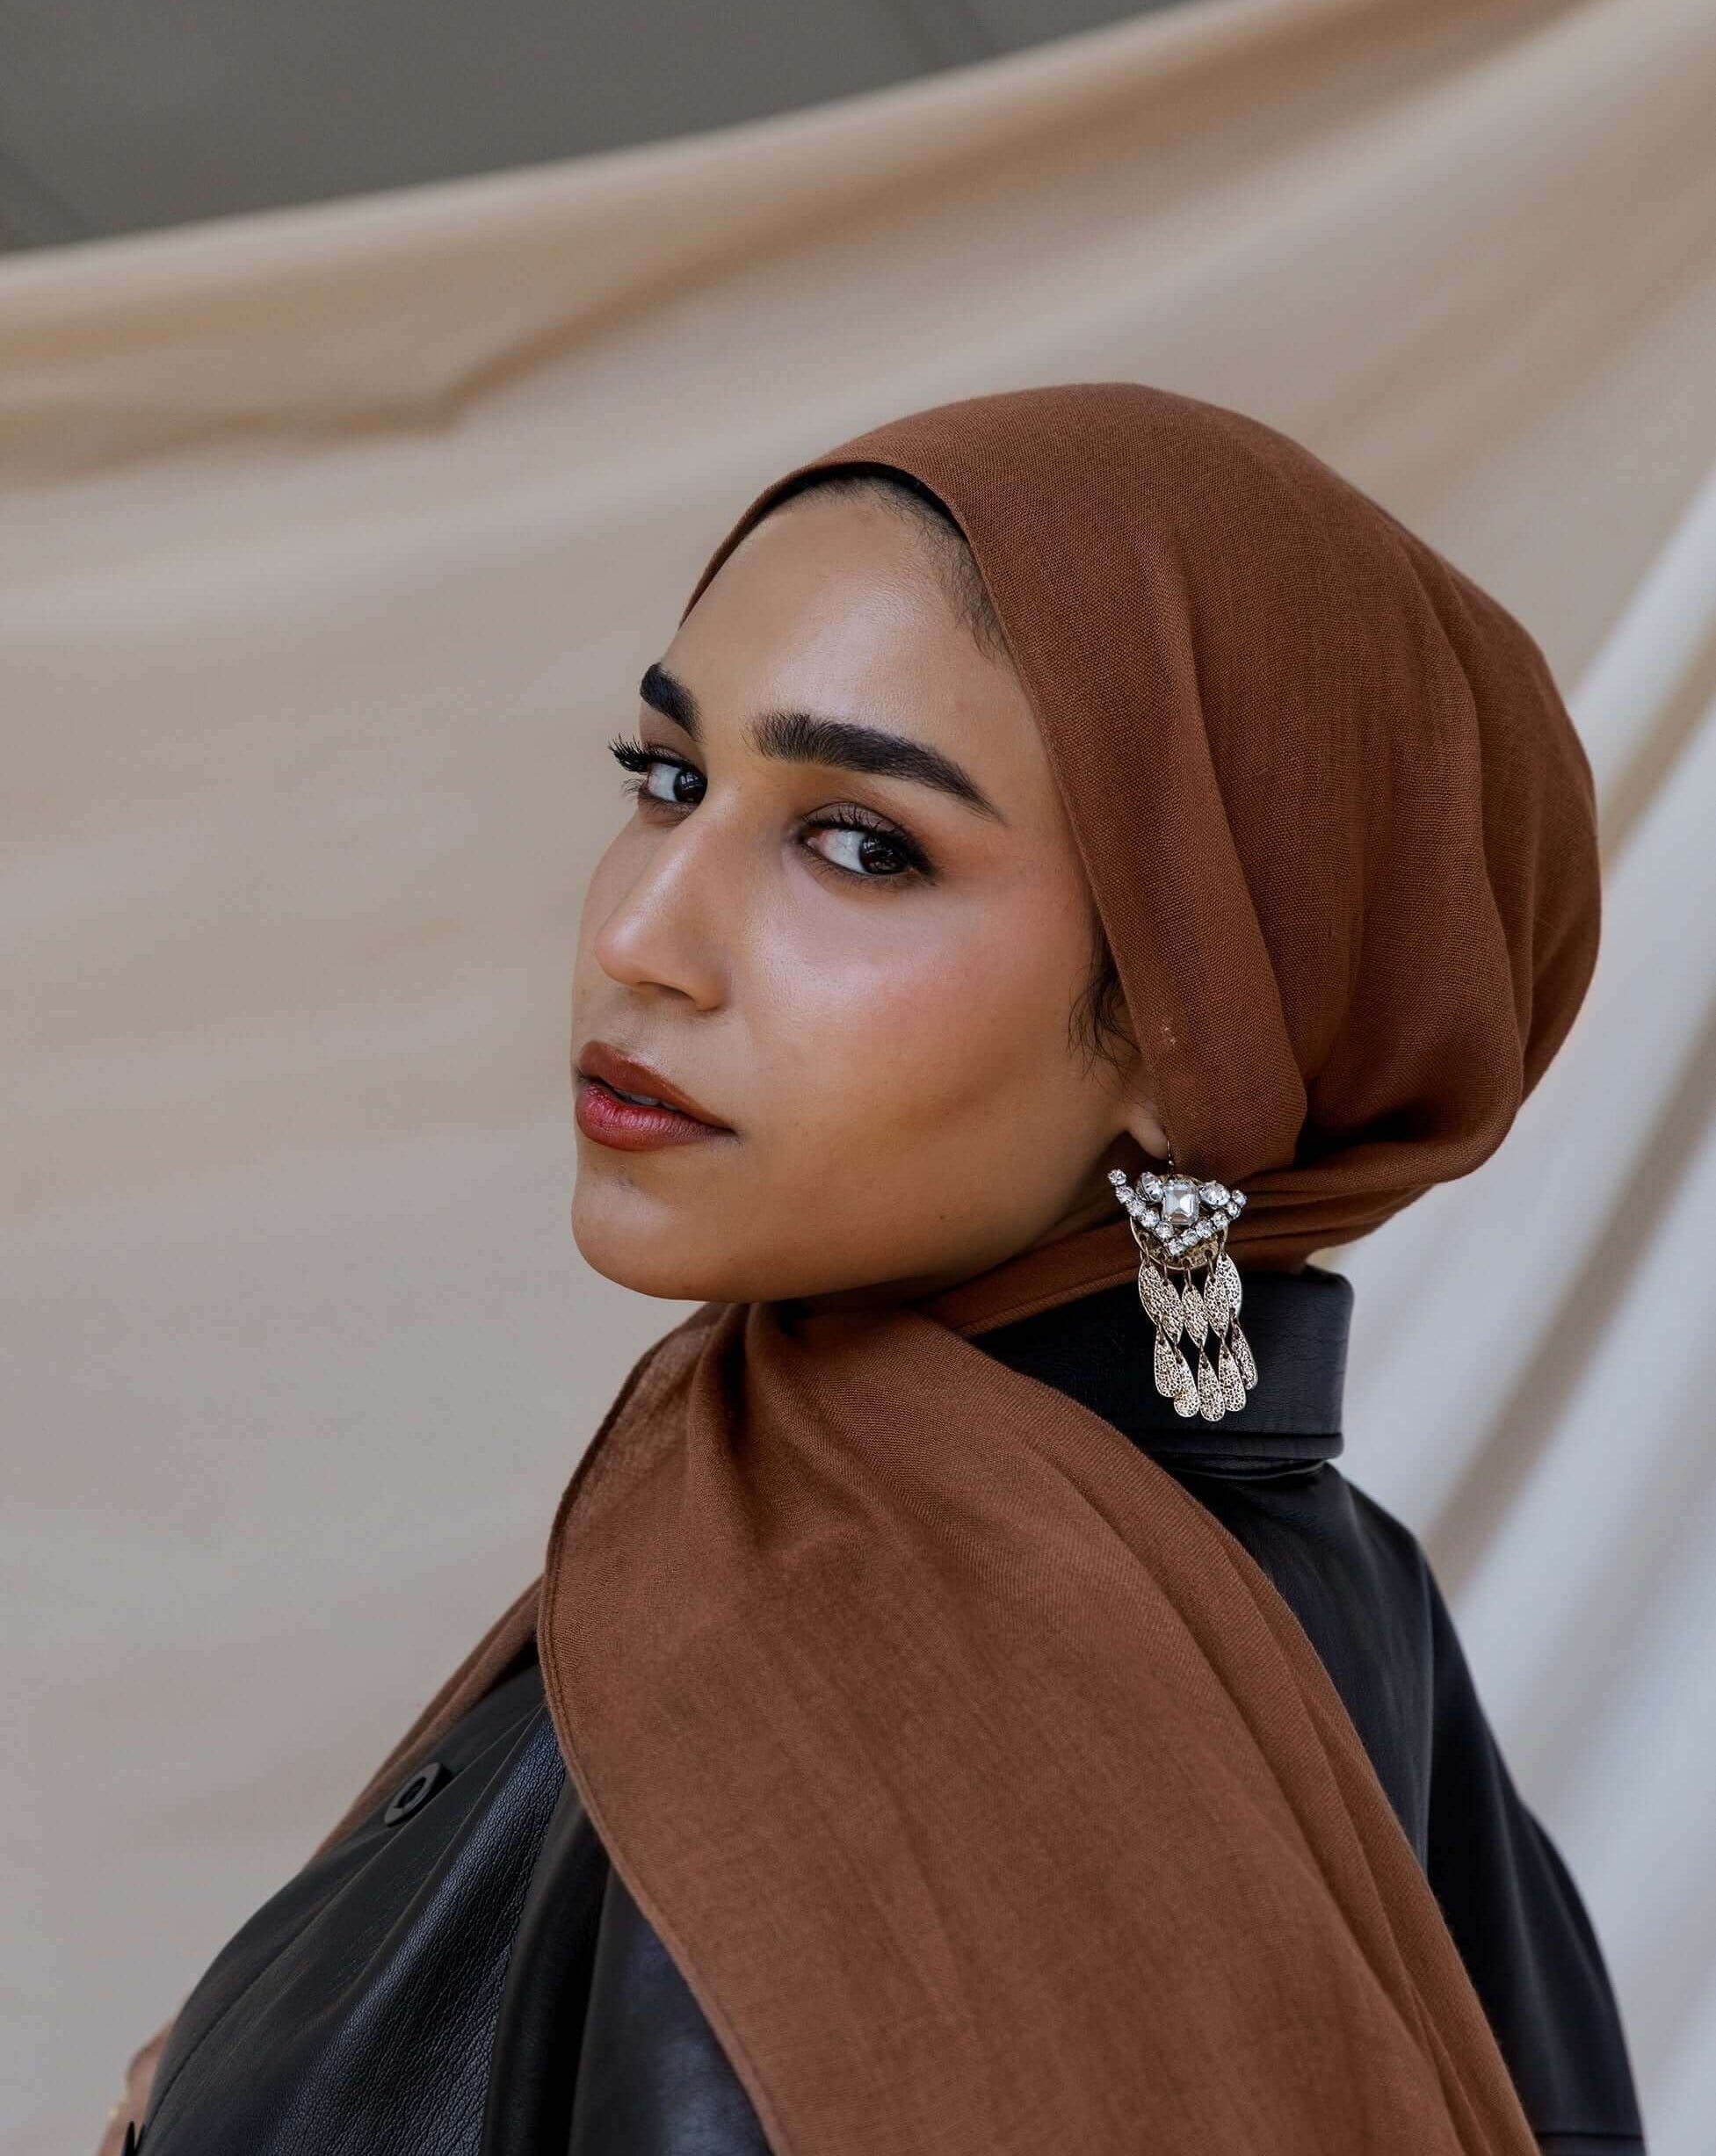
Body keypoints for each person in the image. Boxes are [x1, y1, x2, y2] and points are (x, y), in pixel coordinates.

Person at [101, 384, 1645, 2155]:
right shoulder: (1289, 1561)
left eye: (860, 842)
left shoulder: (900, 1648)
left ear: (1191, 1033)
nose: (637, 933)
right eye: (668, 778)